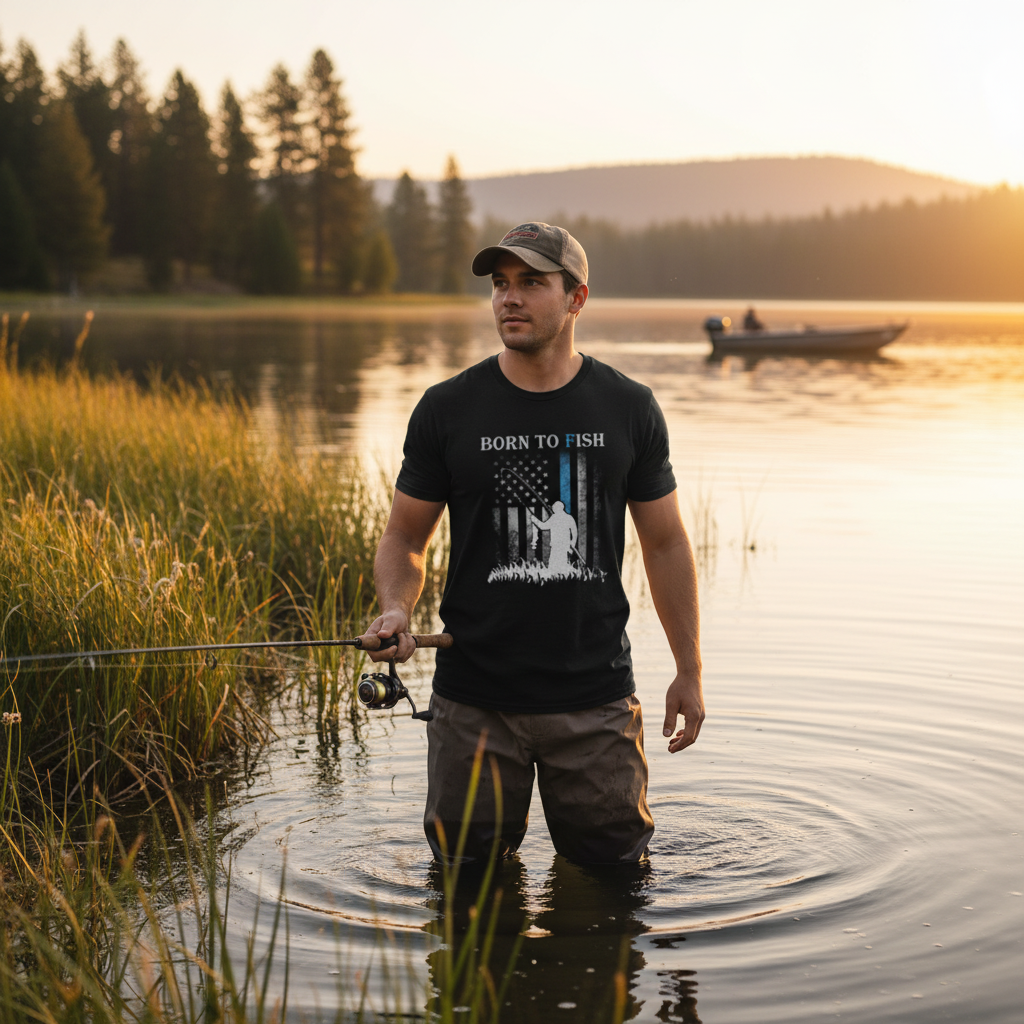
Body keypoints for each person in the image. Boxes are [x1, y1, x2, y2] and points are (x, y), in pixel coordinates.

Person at [360, 221, 704, 866]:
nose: (508, 299)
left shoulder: (628, 407)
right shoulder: (446, 408)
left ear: (576, 299)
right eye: (499, 284)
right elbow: (406, 534)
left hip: (595, 700)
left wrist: (689, 668)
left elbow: (665, 544)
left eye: (530, 283)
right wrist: (398, 609)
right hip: (473, 704)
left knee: (615, 877)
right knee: (466, 883)